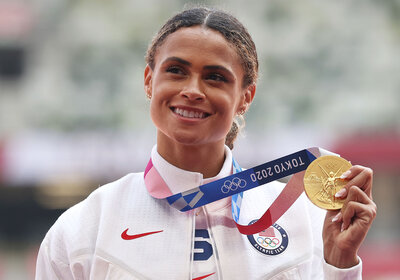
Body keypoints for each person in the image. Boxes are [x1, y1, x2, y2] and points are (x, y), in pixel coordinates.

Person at [35, 6, 376, 280]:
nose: (193, 90)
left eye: (215, 77)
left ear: (245, 97)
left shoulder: (302, 219)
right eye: (176, 71)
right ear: (149, 80)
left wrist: (340, 265)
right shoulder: (84, 228)